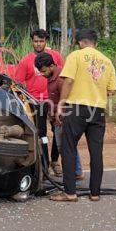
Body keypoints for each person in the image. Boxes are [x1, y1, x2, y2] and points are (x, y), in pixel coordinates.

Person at [51, 29, 116, 203]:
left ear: (80, 42)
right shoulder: (107, 61)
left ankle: (70, 193)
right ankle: (95, 194)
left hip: (77, 108)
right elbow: (111, 90)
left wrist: (61, 104)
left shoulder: (76, 56)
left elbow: (69, 81)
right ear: (95, 42)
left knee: (69, 147)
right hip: (97, 111)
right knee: (96, 152)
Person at [35, 52, 82, 181]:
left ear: (51, 66)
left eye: (44, 71)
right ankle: (76, 172)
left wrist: (60, 116)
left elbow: (67, 99)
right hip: (57, 117)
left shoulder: (61, 78)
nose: (42, 74)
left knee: (65, 146)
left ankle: (75, 172)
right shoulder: (51, 77)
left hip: (64, 117)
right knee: (66, 145)